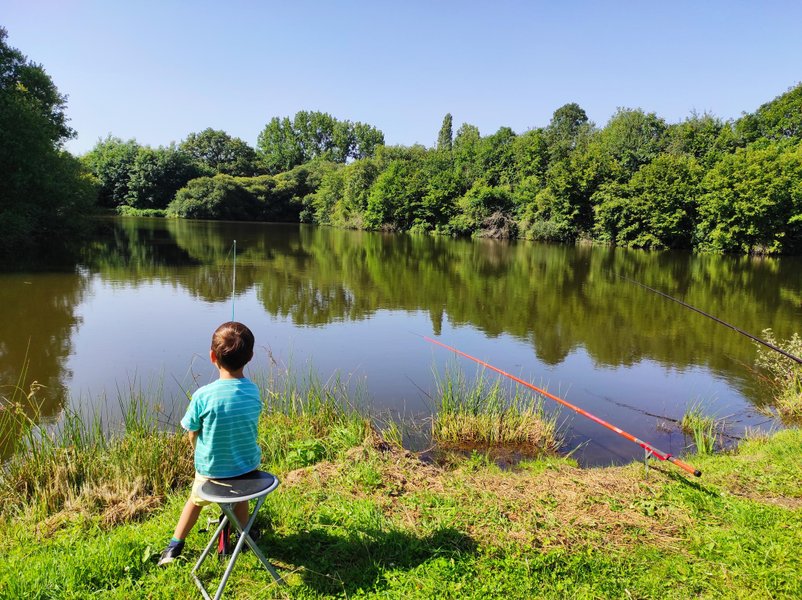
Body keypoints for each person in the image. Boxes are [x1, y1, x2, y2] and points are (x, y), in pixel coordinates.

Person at [158, 321, 262, 565]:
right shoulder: (253, 391)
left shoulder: (202, 395)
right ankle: (243, 532)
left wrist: (198, 449)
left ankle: (174, 546)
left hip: (211, 472)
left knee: (195, 502)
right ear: (250, 357)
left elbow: (191, 432)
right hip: (247, 471)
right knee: (241, 497)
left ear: (213, 356)